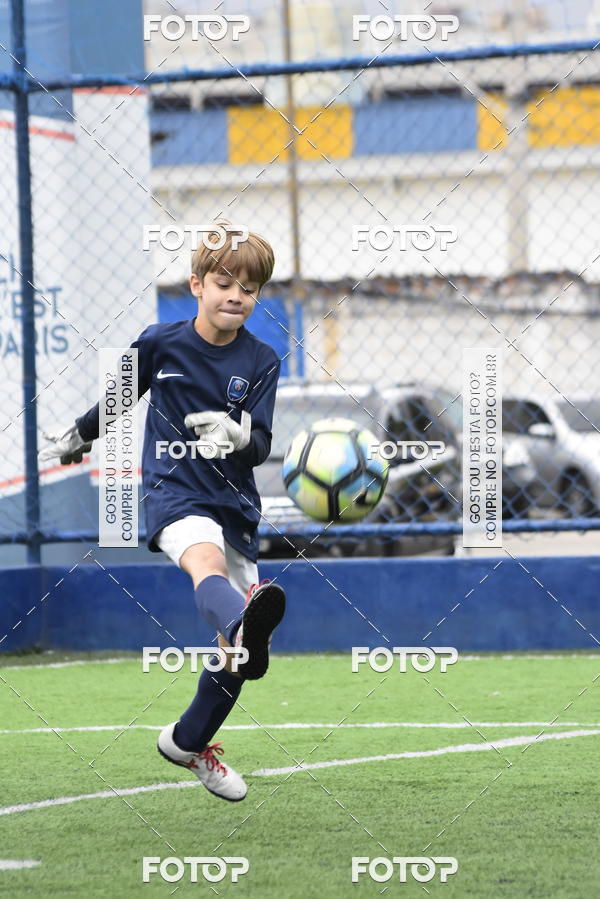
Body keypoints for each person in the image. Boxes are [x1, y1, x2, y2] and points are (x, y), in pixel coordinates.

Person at [39, 224, 286, 802]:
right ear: (197, 284)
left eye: (249, 289)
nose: (236, 296)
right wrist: (80, 435)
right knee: (205, 565)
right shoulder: (159, 343)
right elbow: (118, 398)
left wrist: (237, 436)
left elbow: (261, 444)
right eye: (224, 283)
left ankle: (186, 742)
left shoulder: (263, 360)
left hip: (235, 506)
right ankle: (242, 624)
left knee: (236, 662)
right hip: (173, 493)